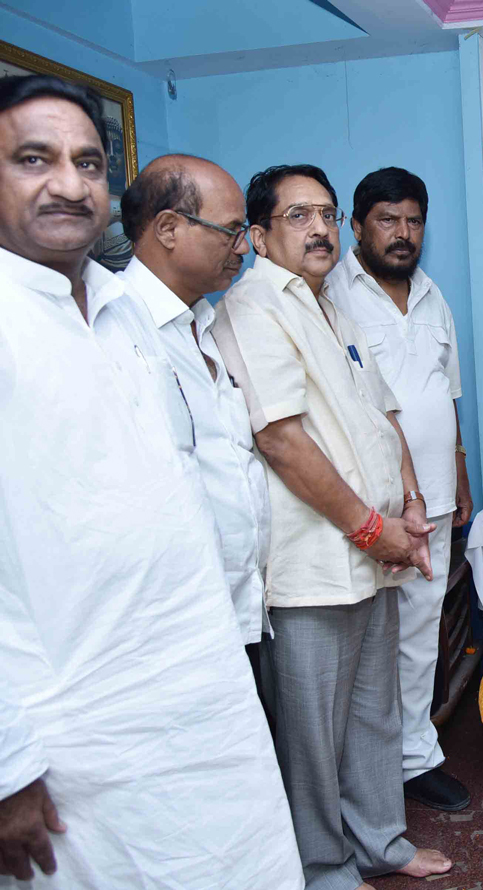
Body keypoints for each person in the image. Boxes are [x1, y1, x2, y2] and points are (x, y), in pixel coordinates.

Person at [0, 75, 302, 888]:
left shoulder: (118, 309)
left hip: (194, 686)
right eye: (34, 159)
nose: (69, 183)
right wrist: (6, 771)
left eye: (89, 163)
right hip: (77, 734)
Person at [211, 163, 452, 888]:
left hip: (374, 548)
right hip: (315, 560)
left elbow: (384, 416)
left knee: (375, 716)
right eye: (297, 216)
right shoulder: (254, 307)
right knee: (313, 735)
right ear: (256, 235)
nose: (318, 228)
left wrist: (409, 501)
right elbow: (282, 439)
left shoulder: (329, 307)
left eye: (323, 213)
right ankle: (322, 865)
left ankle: (382, 842)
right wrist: (374, 529)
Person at [326, 167, 472, 812]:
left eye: (413, 220)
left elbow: (447, 393)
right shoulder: (329, 294)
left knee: (419, 635)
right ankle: (365, 767)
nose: (403, 233)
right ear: (356, 226)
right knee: (362, 641)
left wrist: (461, 471)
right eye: (388, 220)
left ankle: (415, 758)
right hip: (368, 503)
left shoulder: (434, 296)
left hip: (435, 498)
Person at [117, 154, 271, 689]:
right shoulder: (115, 328)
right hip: (169, 625)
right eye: (230, 231)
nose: (244, 247)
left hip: (236, 606)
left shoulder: (203, 321)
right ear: (168, 229)